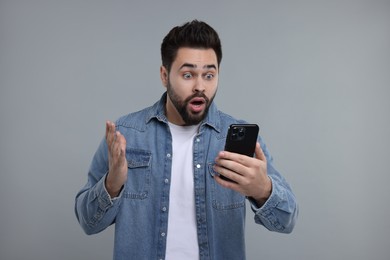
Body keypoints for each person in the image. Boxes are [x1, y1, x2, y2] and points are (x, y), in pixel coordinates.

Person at [75, 20, 298, 260]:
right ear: (164, 75)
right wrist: (112, 184)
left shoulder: (236, 138)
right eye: (188, 74)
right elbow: (89, 223)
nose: (200, 86)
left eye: (209, 75)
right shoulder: (126, 134)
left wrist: (263, 190)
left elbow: (286, 221)